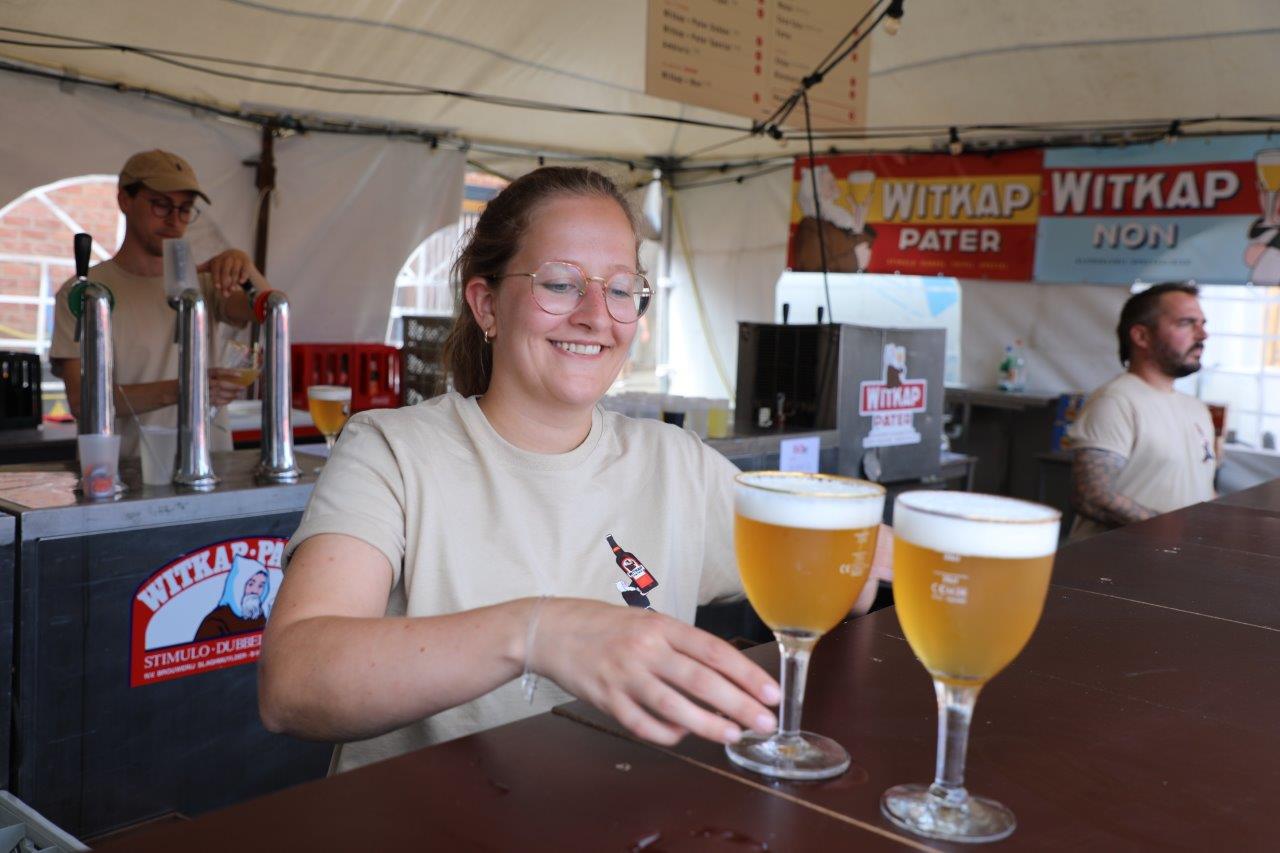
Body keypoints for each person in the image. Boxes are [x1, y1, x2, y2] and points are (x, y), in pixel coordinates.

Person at [259, 167, 786, 773]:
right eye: (560, 284)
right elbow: (293, 684)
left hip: (626, 812)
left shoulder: (679, 463)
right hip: (428, 816)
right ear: (486, 305)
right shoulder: (392, 451)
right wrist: (537, 633)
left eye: (620, 289)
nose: (595, 315)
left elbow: (839, 568)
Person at [49, 149, 267, 456]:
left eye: (185, 209)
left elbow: (272, 313)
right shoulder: (84, 293)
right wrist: (186, 388)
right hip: (123, 469)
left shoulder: (206, 283)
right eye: (161, 204)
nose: (174, 220)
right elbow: (82, 402)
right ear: (125, 200)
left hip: (211, 465)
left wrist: (244, 264)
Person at [1067, 282, 1216, 541]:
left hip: (1179, 558)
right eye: (1186, 323)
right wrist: (1172, 533)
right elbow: (1093, 496)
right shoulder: (1116, 401)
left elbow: (1200, 489)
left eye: (1202, 324)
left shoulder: (1197, 409)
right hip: (1117, 563)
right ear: (1141, 336)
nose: (1203, 335)